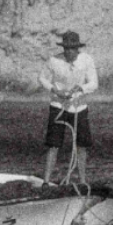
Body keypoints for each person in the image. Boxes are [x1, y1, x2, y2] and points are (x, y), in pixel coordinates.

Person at [38, 31, 98, 185]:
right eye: (66, 48)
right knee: (53, 144)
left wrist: (80, 88)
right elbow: (42, 78)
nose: (69, 51)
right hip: (58, 106)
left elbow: (93, 83)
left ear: (77, 48)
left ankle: (83, 181)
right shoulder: (54, 60)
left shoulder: (87, 60)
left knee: (82, 145)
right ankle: (46, 181)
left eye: (72, 48)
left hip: (79, 107)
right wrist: (54, 90)